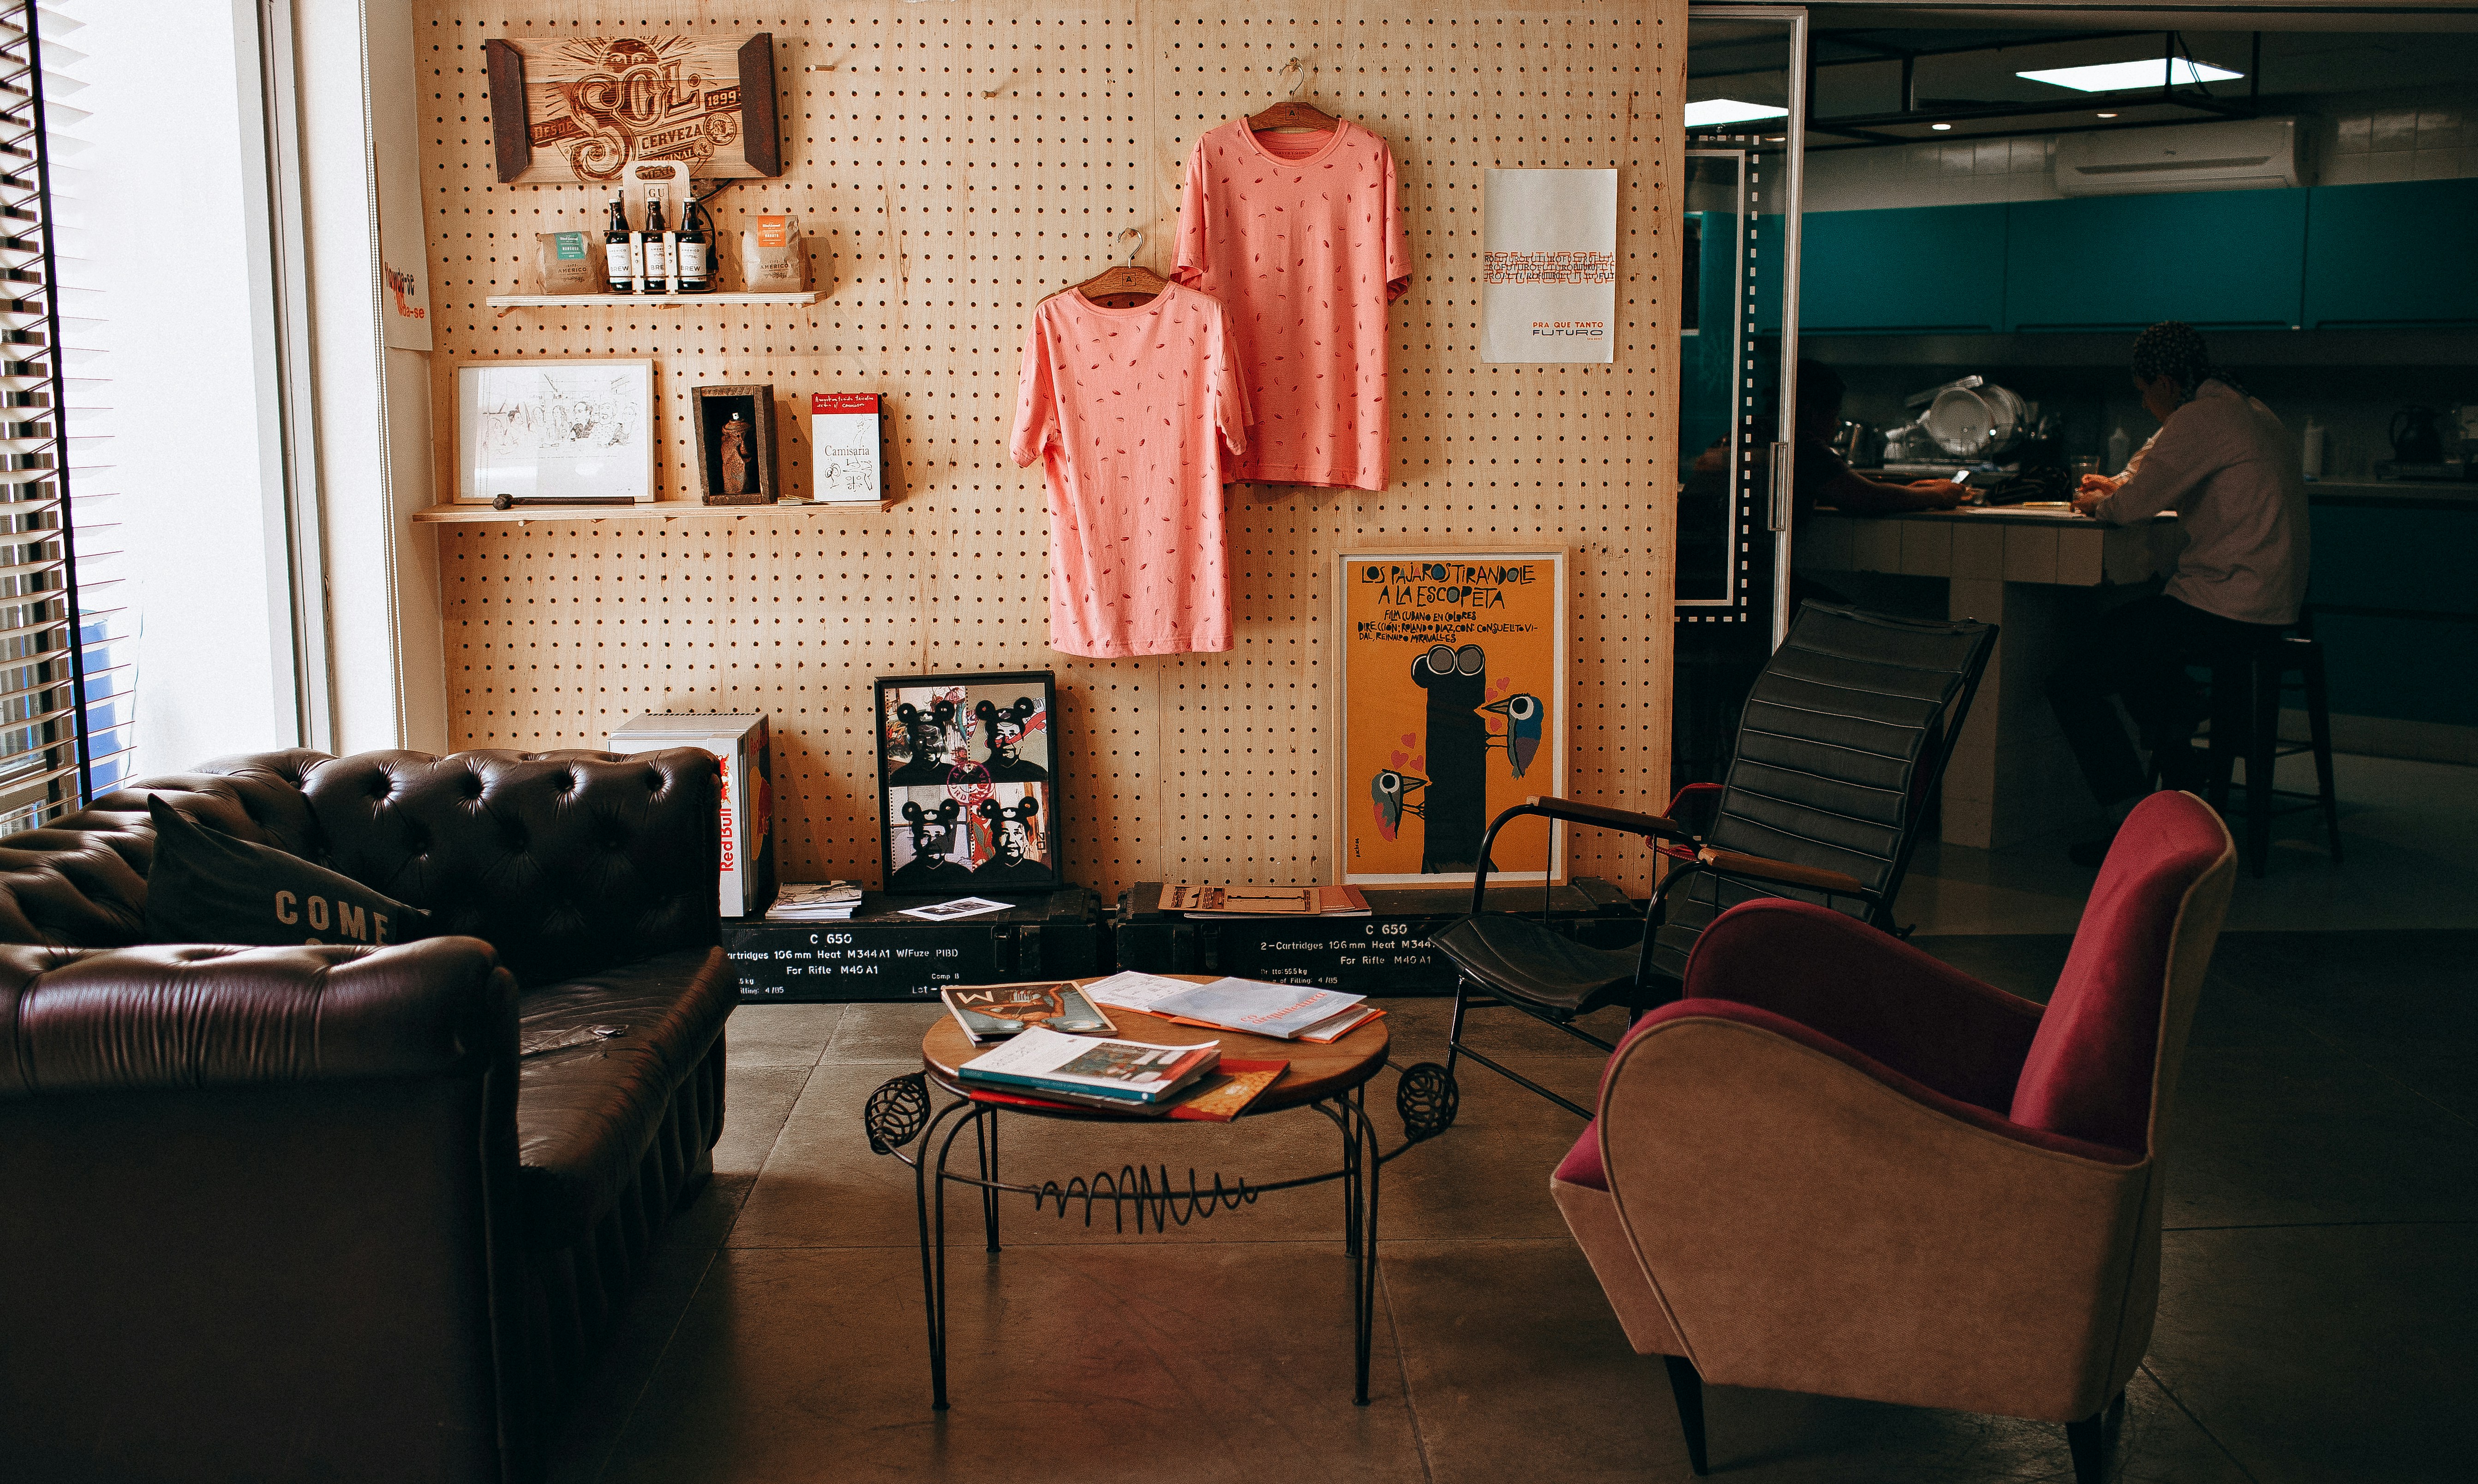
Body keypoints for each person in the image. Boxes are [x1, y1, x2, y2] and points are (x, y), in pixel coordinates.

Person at [2046, 321, 2309, 864]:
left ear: (2165, 382)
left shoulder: (2202, 417)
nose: (2144, 404)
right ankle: (2182, 756)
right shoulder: (2247, 409)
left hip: (2225, 605)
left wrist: (2104, 501)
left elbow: (2133, 506)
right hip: (2269, 607)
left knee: (2072, 678)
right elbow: (2152, 470)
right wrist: (2120, 486)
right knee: (2139, 644)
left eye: (2144, 392)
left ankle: (2129, 820)